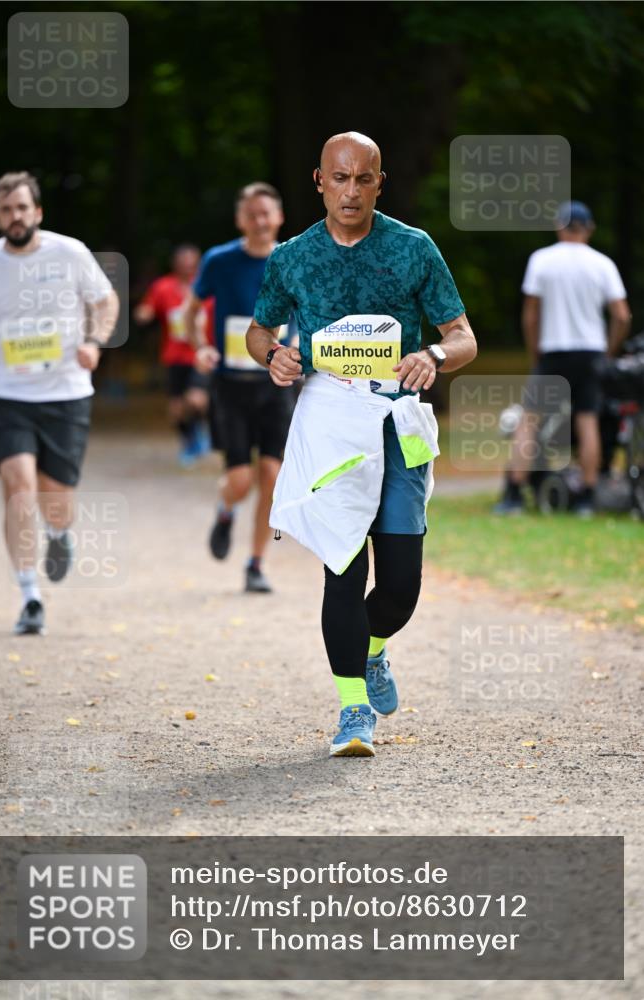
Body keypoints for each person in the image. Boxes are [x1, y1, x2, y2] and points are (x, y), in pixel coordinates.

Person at [245, 132, 477, 757]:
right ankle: (353, 712)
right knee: (343, 568)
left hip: (396, 422)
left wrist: (433, 353)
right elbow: (259, 329)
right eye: (339, 178)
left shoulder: (413, 248)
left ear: (380, 181)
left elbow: (462, 336)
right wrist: (274, 357)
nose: (351, 190)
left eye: (363, 179)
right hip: (329, 422)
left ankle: (373, 648)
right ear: (318, 181)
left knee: (399, 586)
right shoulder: (293, 257)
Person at [0, 172, 119, 635]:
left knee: (54, 499)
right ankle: (29, 595)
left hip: (66, 393)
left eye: (22, 207)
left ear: (37, 212)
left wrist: (95, 342)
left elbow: (105, 301)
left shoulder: (70, 252)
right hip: (7, 394)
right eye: (5, 210)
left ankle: (58, 535)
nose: (14, 216)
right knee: (17, 485)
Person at [186, 182, 295, 593]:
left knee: (271, 474)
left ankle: (255, 563)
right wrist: (200, 347)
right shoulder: (219, 261)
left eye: (266, 213)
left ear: (279, 217)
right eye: (252, 214)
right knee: (240, 480)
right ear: (240, 219)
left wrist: (299, 345)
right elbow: (192, 311)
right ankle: (225, 508)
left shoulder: (291, 259)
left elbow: (306, 313)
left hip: (276, 384)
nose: (260, 221)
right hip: (230, 385)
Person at [495, 201, 631, 517]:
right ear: (589, 228)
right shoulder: (602, 264)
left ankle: (514, 495)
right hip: (591, 352)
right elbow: (622, 316)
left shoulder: (542, 260)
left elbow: (530, 315)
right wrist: (608, 352)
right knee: (587, 422)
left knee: (529, 420)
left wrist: (535, 352)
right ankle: (586, 496)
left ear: (559, 226)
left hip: (553, 351)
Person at [133, 244, 211, 467]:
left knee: (197, 400)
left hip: (200, 354)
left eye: (191, 263)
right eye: (183, 263)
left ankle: (201, 431)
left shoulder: (206, 285)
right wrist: (143, 314)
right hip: (174, 356)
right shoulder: (163, 287)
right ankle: (189, 441)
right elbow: (148, 308)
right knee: (176, 409)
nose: (187, 267)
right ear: (175, 265)